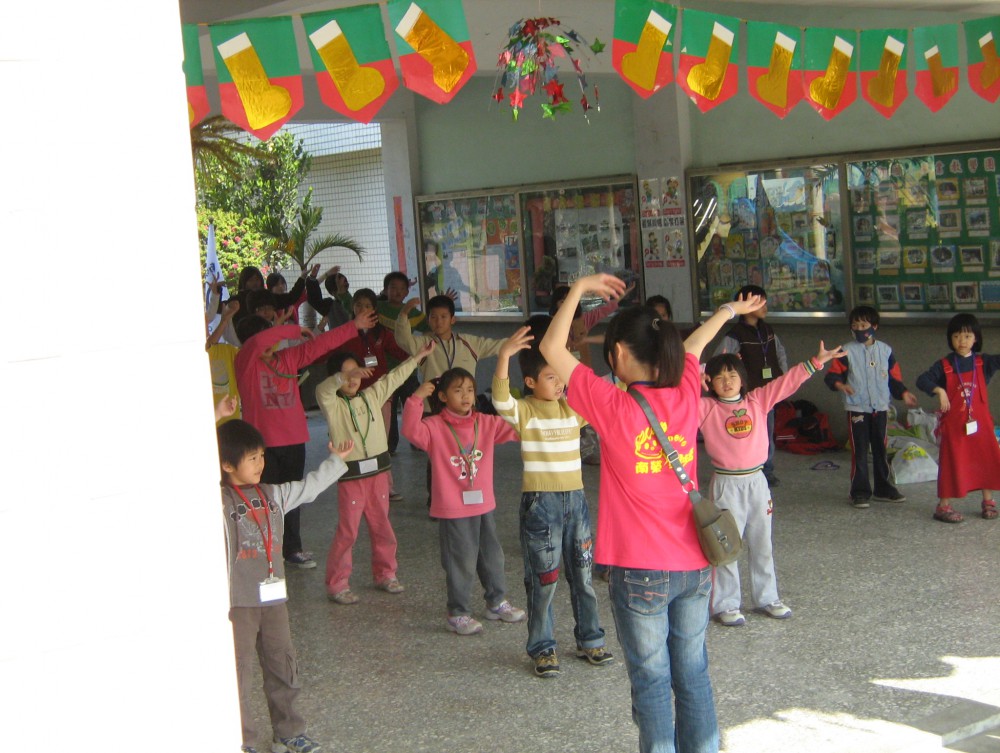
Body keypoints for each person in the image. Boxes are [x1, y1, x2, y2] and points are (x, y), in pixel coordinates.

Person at [539, 272, 765, 753]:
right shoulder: (685, 392)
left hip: (640, 569)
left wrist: (578, 290)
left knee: (652, 681)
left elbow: (551, 348)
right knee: (693, 672)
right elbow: (695, 345)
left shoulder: (610, 404)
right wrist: (729, 310)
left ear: (619, 353)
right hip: (695, 565)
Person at [218, 417, 354, 753]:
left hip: (274, 600)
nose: (260, 464)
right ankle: (243, 740)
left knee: (283, 665)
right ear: (226, 464)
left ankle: (288, 732)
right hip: (238, 603)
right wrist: (216, 419)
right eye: (252, 458)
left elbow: (308, 488)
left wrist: (336, 461)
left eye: (261, 456)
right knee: (237, 674)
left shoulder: (273, 495)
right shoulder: (218, 501)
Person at [492, 326, 612, 677]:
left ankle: (590, 639)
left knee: (583, 576)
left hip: (576, 501)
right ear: (530, 382)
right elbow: (501, 400)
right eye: (550, 377)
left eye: (561, 376)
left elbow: (602, 392)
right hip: (541, 505)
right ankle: (543, 648)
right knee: (543, 580)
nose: (559, 383)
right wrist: (504, 355)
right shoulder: (525, 411)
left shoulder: (572, 408)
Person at [701, 342, 843, 627]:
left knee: (762, 542)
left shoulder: (757, 400)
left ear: (743, 379)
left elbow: (786, 383)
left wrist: (815, 362)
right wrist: (699, 371)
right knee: (725, 545)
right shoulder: (704, 407)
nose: (727, 381)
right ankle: (726, 604)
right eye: (719, 377)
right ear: (710, 382)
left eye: (732, 375)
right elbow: (677, 400)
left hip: (756, 481)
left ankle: (767, 598)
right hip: (726, 484)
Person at [234, 305, 376, 570]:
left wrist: (353, 326)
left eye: (272, 338)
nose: (270, 344)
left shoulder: (288, 358)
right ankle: (267, 550)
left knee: (294, 497)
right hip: (261, 445)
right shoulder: (245, 362)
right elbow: (257, 343)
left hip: (293, 440)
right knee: (264, 500)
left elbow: (320, 345)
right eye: (266, 339)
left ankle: (292, 549)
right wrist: (290, 329)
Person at [401, 369, 526, 635]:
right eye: (458, 391)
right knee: (461, 560)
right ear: (443, 396)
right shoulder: (434, 426)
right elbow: (411, 431)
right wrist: (415, 399)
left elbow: (518, 429)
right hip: (453, 507)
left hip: (483, 504)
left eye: (470, 390)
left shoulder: (485, 423)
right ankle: (457, 613)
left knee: (492, 556)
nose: (466, 396)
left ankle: (496, 601)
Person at [315, 339, 435, 604]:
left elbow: (395, 376)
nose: (353, 379)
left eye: (356, 372)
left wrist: (418, 357)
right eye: (346, 374)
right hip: (351, 478)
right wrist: (344, 376)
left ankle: (386, 574)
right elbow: (323, 389)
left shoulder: (372, 396)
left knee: (382, 526)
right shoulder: (332, 403)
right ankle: (337, 584)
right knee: (348, 531)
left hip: (379, 474)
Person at [824, 306, 918, 508]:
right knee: (859, 451)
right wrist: (840, 385)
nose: (859, 329)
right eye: (855, 325)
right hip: (857, 409)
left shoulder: (886, 351)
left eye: (863, 325)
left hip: (880, 408)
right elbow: (832, 376)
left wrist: (904, 393)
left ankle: (883, 489)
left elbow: (894, 379)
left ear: (874, 326)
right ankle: (859, 492)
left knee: (880, 449)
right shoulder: (845, 351)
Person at [915, 313, 1000, 523]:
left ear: (976, 338)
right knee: (952, 463)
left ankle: (988, 500)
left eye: (967, 336)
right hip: (955, 426)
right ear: (950, 339)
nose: (962, 341)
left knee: (986, 458)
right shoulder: (944, 364)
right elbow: (922, 380)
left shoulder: (983, 362)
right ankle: (943, 506)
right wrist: (939, 391)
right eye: (956, 336)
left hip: (980, 424)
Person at [336, 288, 411, 500]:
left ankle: (386, 486)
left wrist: (419, 354)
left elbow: (400, 352)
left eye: (367, 305)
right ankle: (359, 484)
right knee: (355, 441)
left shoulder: (382, 333)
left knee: (381, 442)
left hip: (380, 395)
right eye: (359, 305)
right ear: (352, 308)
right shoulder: (345, 332)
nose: (363, 309)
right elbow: (330, 355)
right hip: (352, 396)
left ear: (374, 309)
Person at [714, 285, 788, 486]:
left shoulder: (768, 330)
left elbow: (780, 353)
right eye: (760, 303)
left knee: (767, 431)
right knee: (747, 433)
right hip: (748, 394)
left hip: (768, 391)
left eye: (765, 302)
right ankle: (749, 468)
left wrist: (782, 378)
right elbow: (719, 360)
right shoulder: (735, 335)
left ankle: (767, 470)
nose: (765, 307)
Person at [305, 266, 351, 331]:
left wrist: (313, 277)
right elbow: (313, 299)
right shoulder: (330, 305)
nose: (343, 288)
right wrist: (313, 277)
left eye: (346, 285)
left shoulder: (355, 302)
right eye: (340, 286)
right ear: (332, 292)